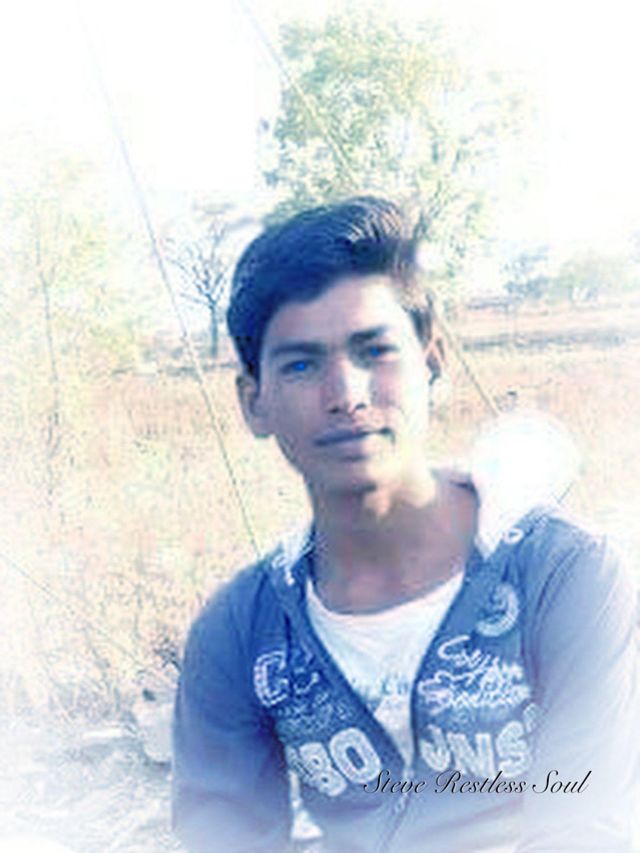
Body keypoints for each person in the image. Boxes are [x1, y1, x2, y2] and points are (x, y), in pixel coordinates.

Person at [172, 197, 638, 852]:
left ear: (432, 362)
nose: (347, 394)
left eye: (375, 350)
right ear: (254, 402)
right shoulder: (242, 631)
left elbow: (588, 826)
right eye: (301, 364)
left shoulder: (561, 575)